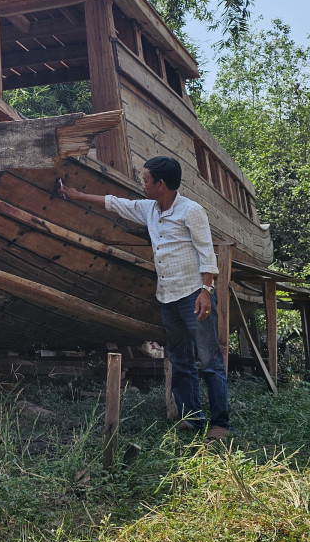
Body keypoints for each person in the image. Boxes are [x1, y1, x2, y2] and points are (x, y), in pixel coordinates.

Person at [59, 155, 231, 439]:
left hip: (193, 296)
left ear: (161, 184)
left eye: (146, 180)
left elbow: (206, 253)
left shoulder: (191, 211)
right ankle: (193, 417)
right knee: (180, 361)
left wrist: (206, 291)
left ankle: (220, 424)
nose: (142, 184)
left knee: (210, 360)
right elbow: (116, 203)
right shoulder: (150, 209)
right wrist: (76, 195)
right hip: (168, 297)